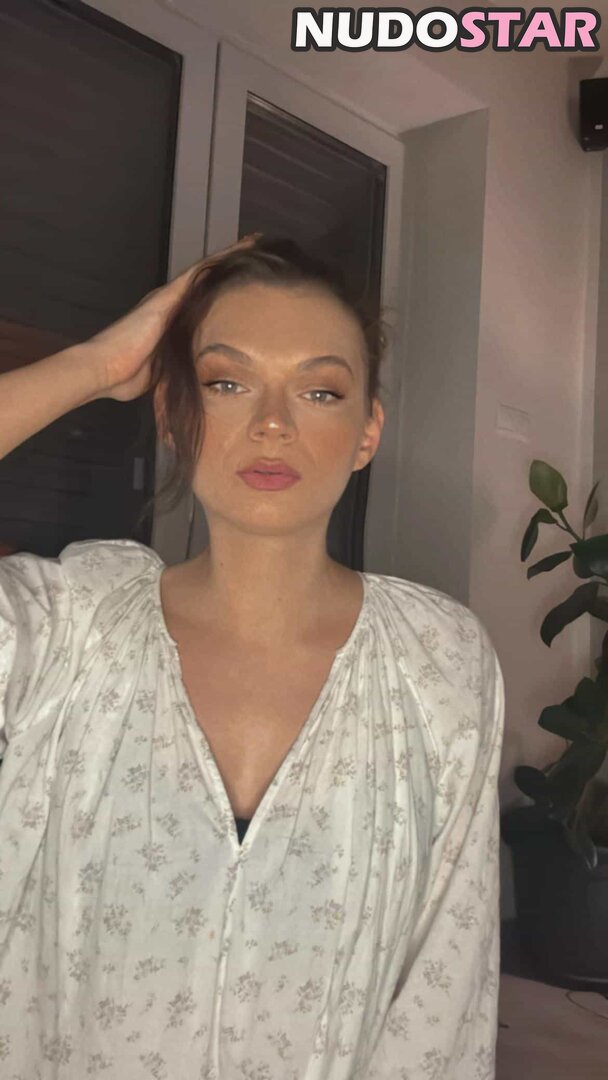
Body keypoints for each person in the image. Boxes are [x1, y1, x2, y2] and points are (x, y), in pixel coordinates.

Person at [0, 234, 505, 1079]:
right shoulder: (66, 626)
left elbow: (444, 1002)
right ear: (172, 415)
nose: (272, 422)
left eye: (320, 389)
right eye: (226, 383)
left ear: (367, 432)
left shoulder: (439, 660)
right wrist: (94, 366)